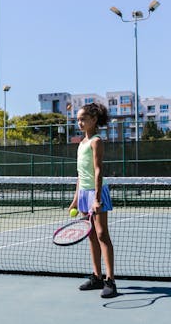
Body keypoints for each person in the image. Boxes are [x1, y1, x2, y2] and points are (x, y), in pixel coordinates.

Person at [68, 102, 117, 298]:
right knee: (90, 235)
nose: (79, 122)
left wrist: (96, 199)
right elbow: (80, 175)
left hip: (97, 193)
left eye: (83, 119)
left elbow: (98, 171)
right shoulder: (81, 144)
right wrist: (75, 199)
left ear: (94, 120)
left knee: (102, 234)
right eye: (78, 119)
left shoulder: (96, 141)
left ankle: (110, 281)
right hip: (83, 195)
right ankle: (97, 277)